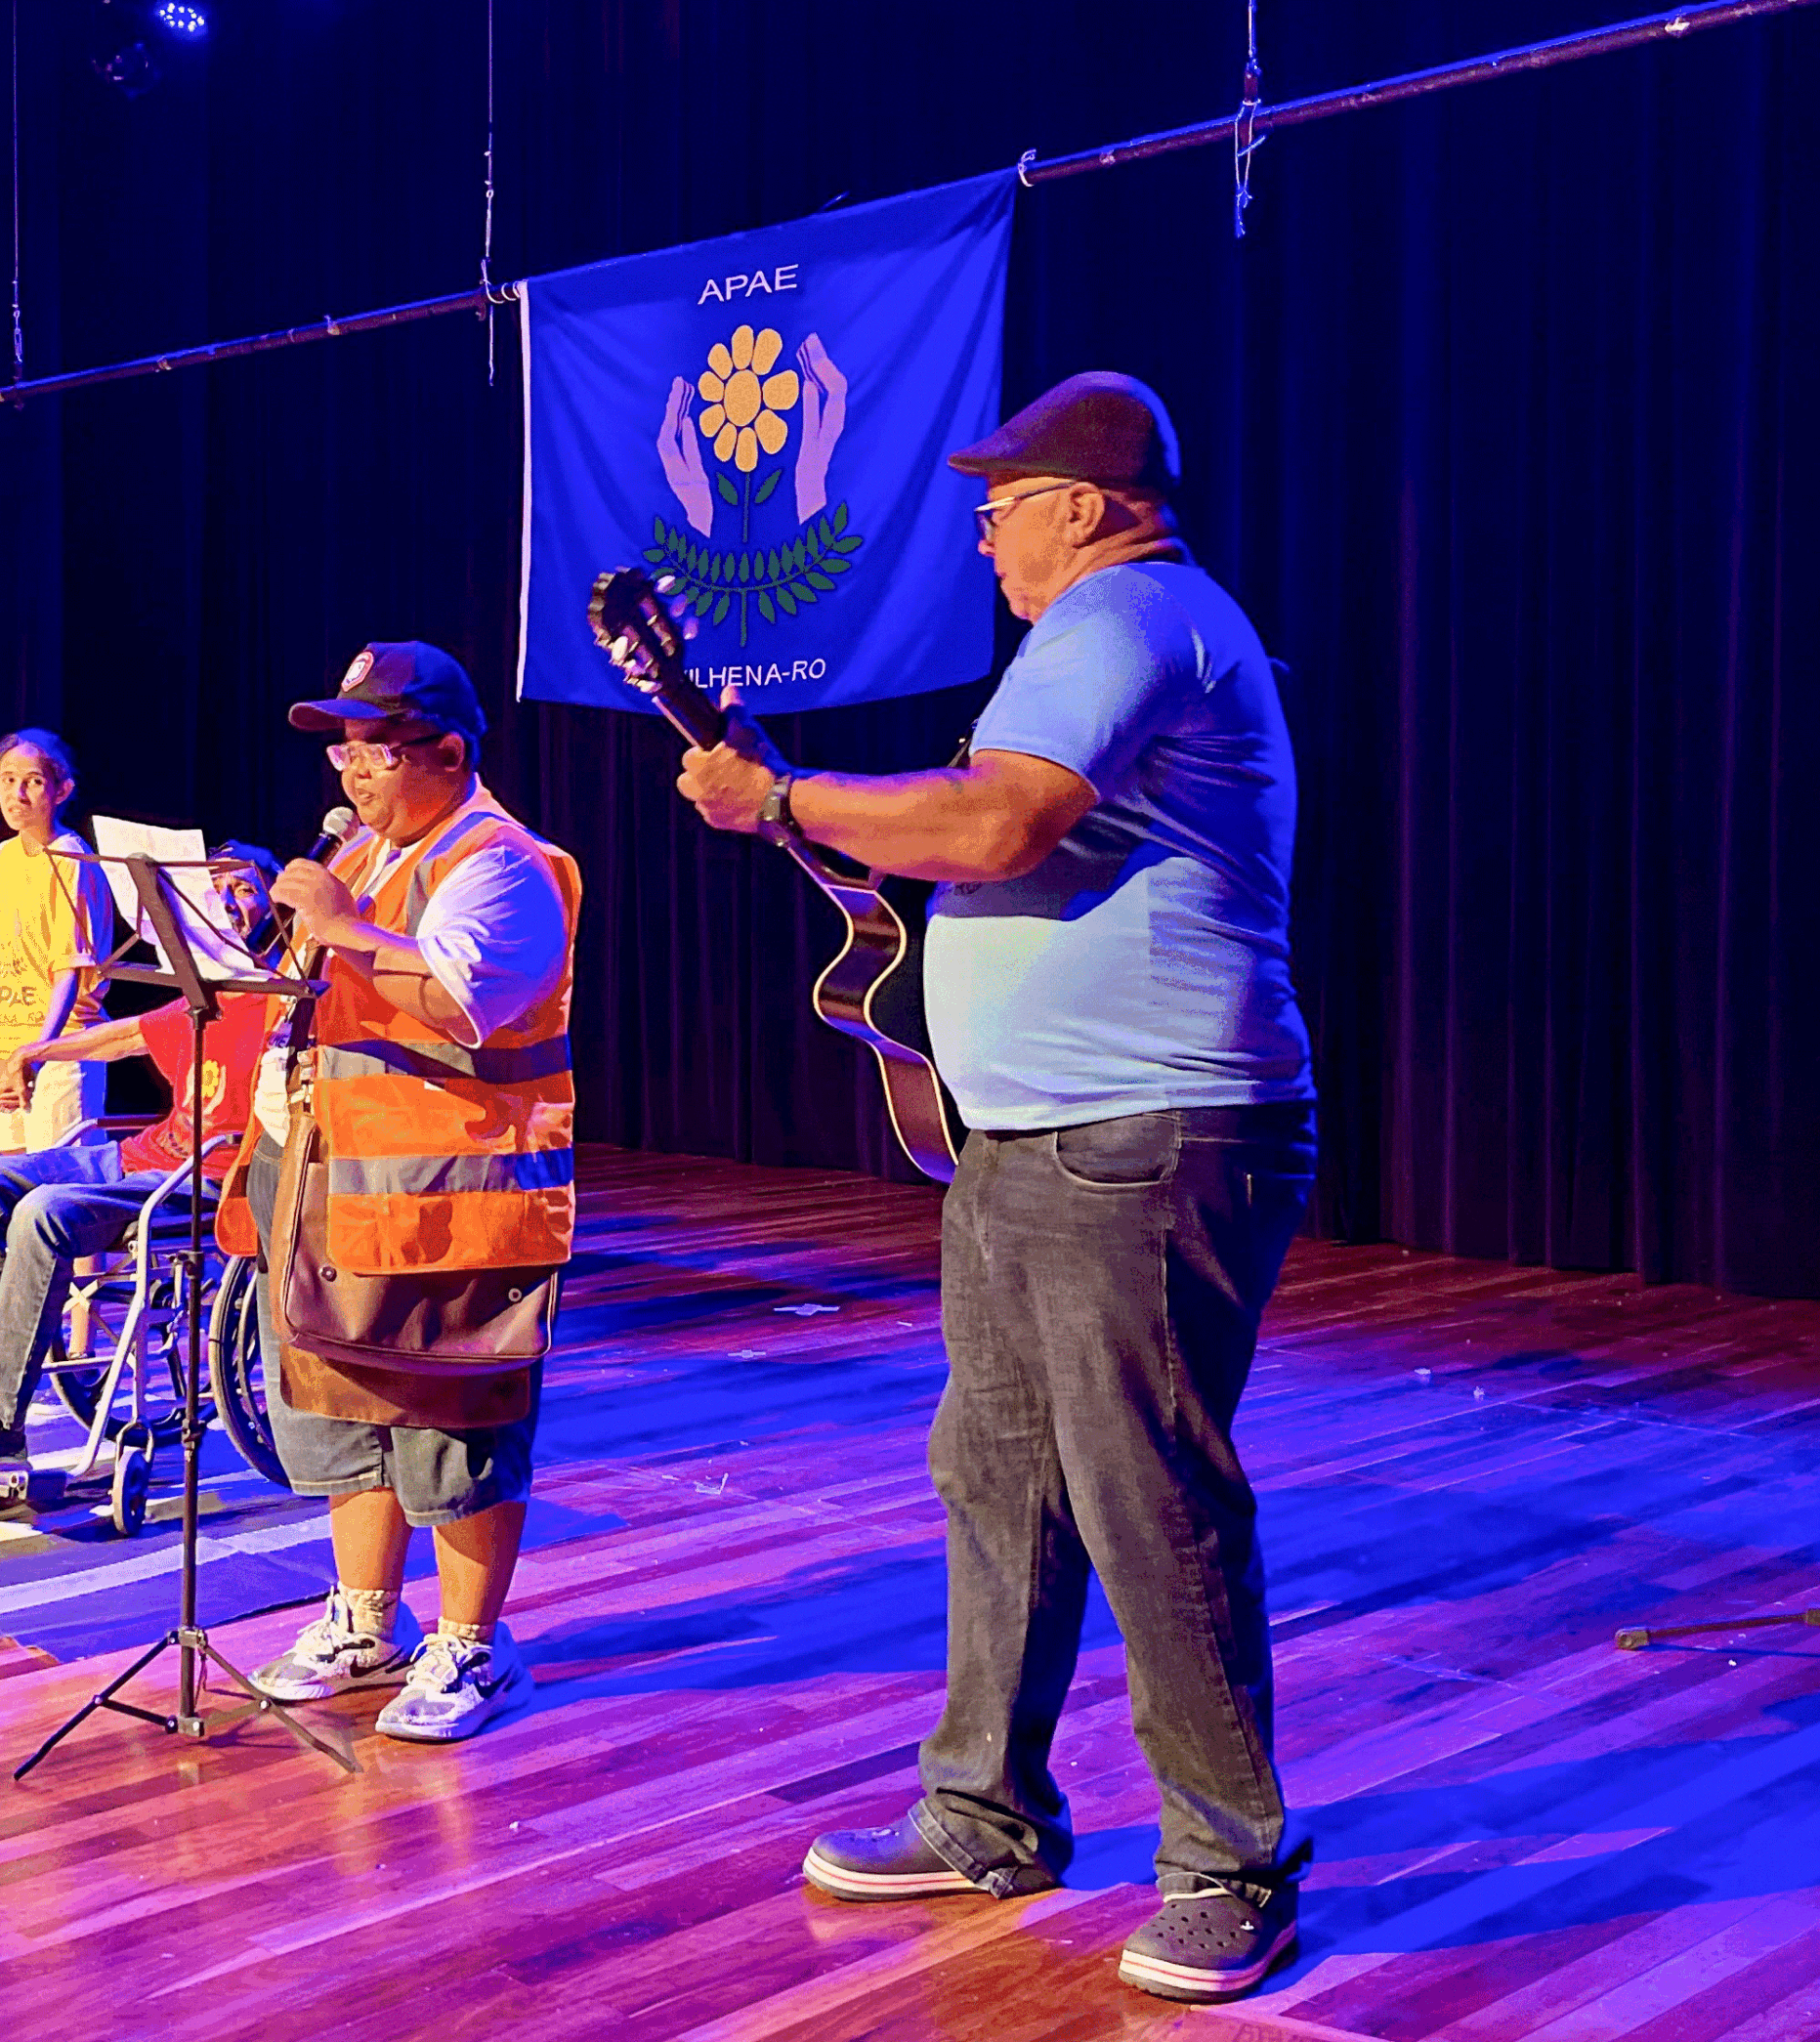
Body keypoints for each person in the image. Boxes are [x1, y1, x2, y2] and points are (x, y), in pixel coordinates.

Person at [676, 373, 1317, 2007]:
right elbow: (960, 843)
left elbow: (1002, 820)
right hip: (1033, 1137)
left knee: (1146, 1496)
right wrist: (790, 804)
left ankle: (1230, 1865)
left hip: (1148, 1136)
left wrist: (789, 796)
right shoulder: (1092, 633)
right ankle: (987, 1812)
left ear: (1091, 503)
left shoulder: (1130, 615)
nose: (982, 527)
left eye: (1004, 499)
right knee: (1003, 1479)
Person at [223, 642, 578, 1745]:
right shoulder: (372, 855)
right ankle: (364, 1618)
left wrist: (337, 924)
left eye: (372, 747)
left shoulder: (502, 861)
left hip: (450, 1199)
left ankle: (475, 1646)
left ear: (448, 750)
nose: (348, 771)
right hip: (339, 1185)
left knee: (451, 1418)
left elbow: (469, 998)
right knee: (343, 1409)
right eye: (343, 746)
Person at [0, 845, 280, 1468]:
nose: (229, 901)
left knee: (42, 1213)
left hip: (208, 1178)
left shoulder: (287, 1001)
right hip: (143, 1157)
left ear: (276, 905)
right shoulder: (212, 993)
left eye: (246, 889)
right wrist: (30, 1054)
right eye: (218, 888)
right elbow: (121, 1035)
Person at [0, 729, 115, 1153]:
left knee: (52, 1185)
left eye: (33, 781)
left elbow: (68, 967)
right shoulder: (3, 857)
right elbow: (3, 956)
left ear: (61, 790)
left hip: (60, 1047)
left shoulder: (70, 859)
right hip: (9, 1043)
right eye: (7, 780)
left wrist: (39, 1052)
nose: (17, 794)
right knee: (7, 1173)